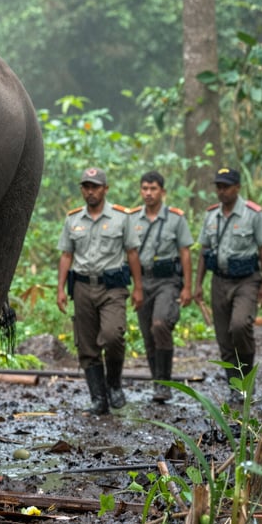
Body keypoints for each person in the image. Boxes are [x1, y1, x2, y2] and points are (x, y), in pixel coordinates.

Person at [57, 167, 143, 415]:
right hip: (82, 286)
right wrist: (60, 289)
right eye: (86, 186)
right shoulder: (73, 219)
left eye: (95, 186)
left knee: (113, 334)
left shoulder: (120, 217)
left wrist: (138, 288)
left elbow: (132, 253)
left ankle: (114, 383)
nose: (90, 191)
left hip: (112, 287)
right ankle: (98, 398)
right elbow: (66, 255)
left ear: (105, 189)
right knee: (86, 345)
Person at [194, 167, 262, 399]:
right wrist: (198, 284)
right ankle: (236, 388)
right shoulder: (211, 215)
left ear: (237, 187)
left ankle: (247, 380)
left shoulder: (253, 214)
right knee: (224, 338)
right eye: (218, 186)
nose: (222, 191)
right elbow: (204, 251)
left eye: (226, 186)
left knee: (239, 326)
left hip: (246, 281)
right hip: (219, 280)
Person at [128, 171, 193, 403]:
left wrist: (187, 286)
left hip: (167, 281)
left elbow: (185, 253)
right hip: (143, 281)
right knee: (147, 334)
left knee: (160, 324)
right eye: (144, 188)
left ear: (162, 192)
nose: (148, 193)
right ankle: (158, 383)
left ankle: (164, 382)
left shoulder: (176, 219)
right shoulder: (132, 218)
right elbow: (129, 252)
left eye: (153, 188)